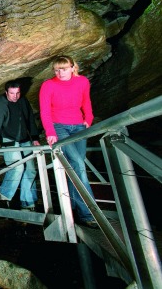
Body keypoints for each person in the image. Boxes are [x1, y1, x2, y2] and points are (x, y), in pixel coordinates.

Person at [39, 55, 97, 228]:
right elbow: (45, 111)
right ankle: (88, 213)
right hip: (59, 128)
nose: (60, 72)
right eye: (57, 69)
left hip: (79, 126)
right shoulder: (48, 85)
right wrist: (50, 132)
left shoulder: (83, 82)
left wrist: (89, 118)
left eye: (64, 68)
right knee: (78, 164)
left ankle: (72, 208)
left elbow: (86, 101)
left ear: (73, 67)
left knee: (74, 167)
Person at [0, 81, 41, 210]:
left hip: (25, 139)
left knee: (31, 170)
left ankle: (28, 202)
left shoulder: (23, 100)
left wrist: (35, 138)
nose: (15, 96)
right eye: (12, 93)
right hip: (9, 139)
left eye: (17, 93)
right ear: (6, 92)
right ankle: (4, 195)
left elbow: (30, 119)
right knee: (17, 168)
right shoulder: (1, 102)